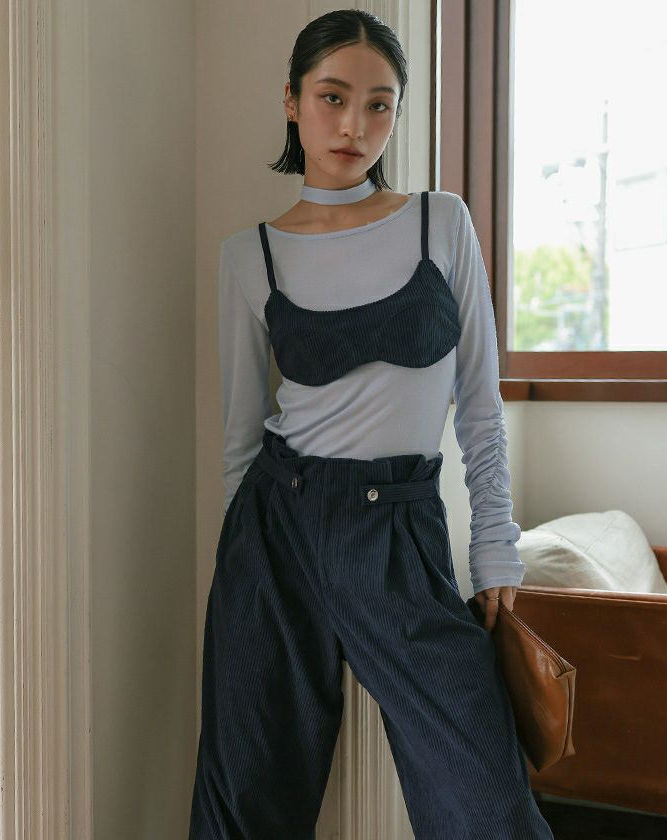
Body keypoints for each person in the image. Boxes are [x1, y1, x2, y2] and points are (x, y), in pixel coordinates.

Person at [188, 9, 554, 840]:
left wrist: (496, 547)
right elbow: (242, 438)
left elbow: (480, 404)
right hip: (277, 530)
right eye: (333, 97)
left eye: (379, 104)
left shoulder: (441, 222)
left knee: (486, 804)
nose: (355, 125)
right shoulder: (250, 255)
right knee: (246, 803)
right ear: (291, 100)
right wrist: (243, 573)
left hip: (400, 530)